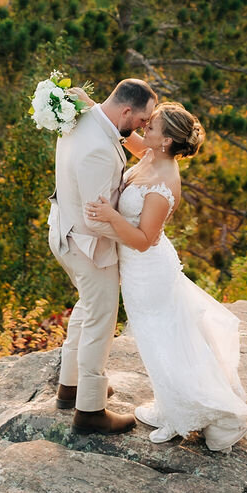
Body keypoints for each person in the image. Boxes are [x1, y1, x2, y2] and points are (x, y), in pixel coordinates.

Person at [86, 101, 247, 452]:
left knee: (160, 343)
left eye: (152, 127)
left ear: (165, 141)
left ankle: (183, 416)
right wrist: (93, 108)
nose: (144, 128)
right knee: (157, 342)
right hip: (138, 271)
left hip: (149, 272)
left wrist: (109, 216)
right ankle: (171, 405)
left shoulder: (164, 183)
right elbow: (130, 139)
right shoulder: (153, 156)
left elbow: (144, 240)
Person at [47, 76, 157, 434]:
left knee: (88, 307)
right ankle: (90, 410)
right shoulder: (96, 146)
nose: (143, 127)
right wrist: (136, 238)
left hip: (63, 229)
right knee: (101, 320)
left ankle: (71, 386)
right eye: (142, 120)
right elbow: (97, 219)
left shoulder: (85, 115)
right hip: (85, 243)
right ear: (126, 110)